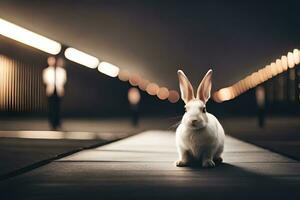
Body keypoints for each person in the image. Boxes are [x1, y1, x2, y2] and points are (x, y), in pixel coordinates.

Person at [43, 56, 67, 130]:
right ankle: (52, 123)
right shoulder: (46, 71)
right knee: (51, 108)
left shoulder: (61, 71)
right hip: (50, 91)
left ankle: (58, 123)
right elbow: (46, 80)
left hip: (58, 91)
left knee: (58, 108)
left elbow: (63, 80)